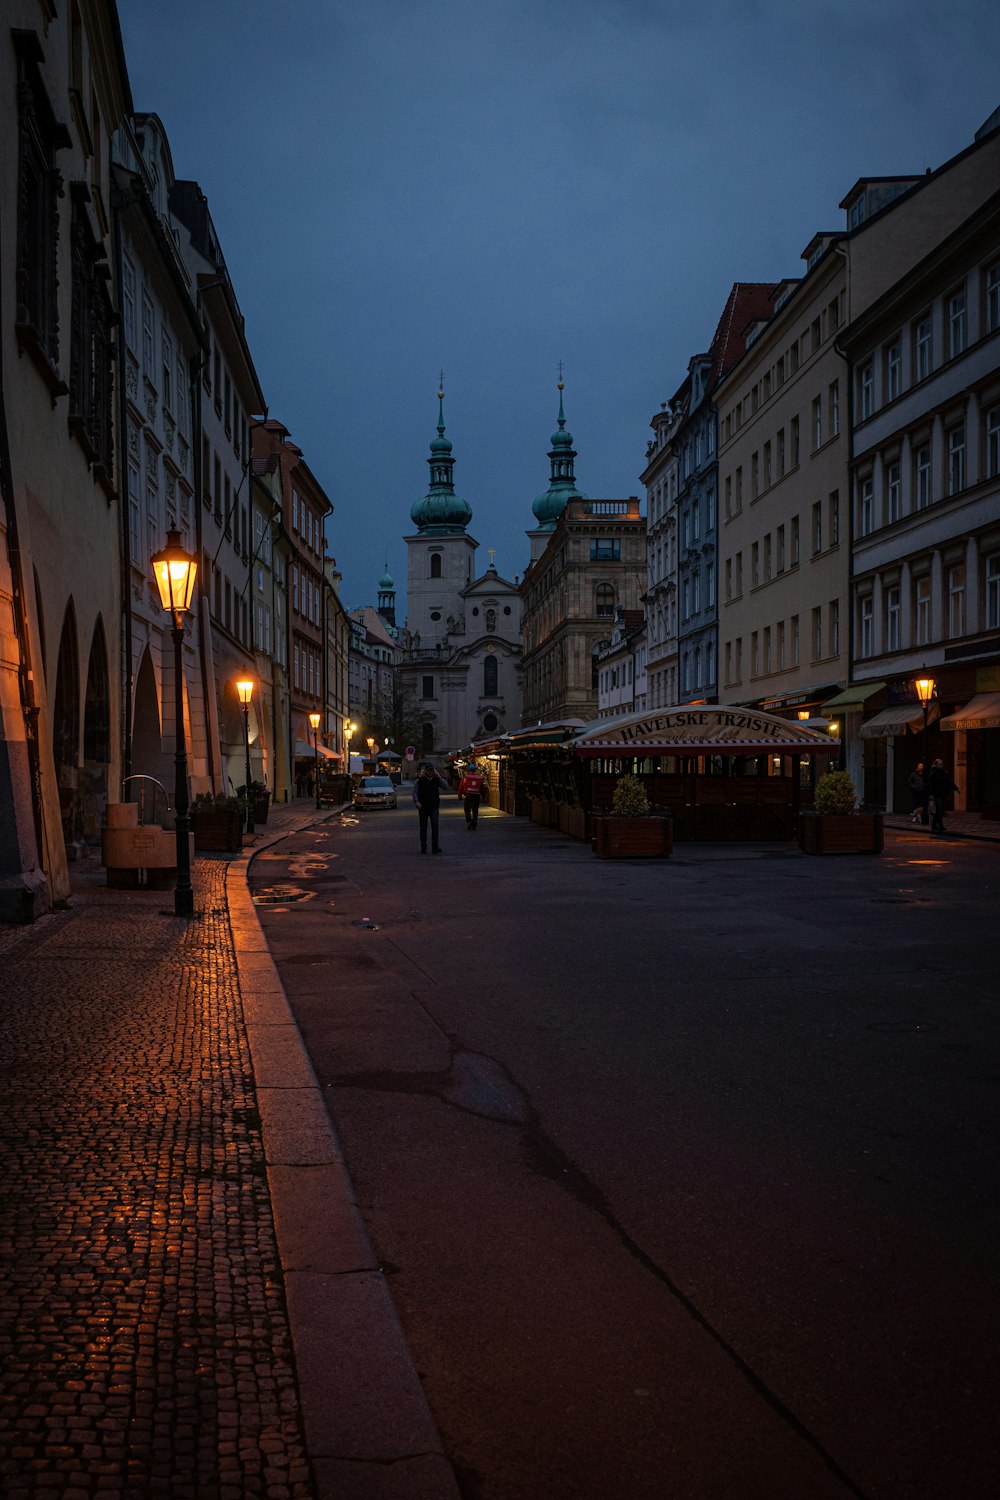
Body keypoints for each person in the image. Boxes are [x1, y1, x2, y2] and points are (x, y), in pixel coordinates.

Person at [412, 762, 448, 853]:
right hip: (423, 807)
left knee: (435, 827)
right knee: (423, 828)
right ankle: (423, 846)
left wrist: (439, 777)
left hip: (434, 807)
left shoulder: (436, 780)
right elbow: (415, 792)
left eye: (432, 770)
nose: (431, 772)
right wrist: (417, 802)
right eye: (429, 770)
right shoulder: (420, 781)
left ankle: (435, 847)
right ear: (425, 771)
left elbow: (446, 786)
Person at [927, 758, 958, 834]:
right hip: (936, 795)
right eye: (940, 764)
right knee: (939, 810)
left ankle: (934, 825)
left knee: (939, 811)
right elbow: (930, 784)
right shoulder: (933, 773)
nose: (942, 765)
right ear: (936, 765)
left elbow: (949, 782)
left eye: (942, 764)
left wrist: (956, 788)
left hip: (943, 794)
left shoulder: (944, 773)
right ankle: (940, 825)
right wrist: (931, 794)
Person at [457, 763, 486, 830]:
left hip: (468, 796)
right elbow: (482, 788)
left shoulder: (465, 777)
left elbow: (461, 787)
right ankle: (474, 822)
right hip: (476, 796)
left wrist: (459, 795)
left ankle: (469, 820)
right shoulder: (479, 778)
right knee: (475, 810)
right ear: (474, 770)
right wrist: (483, 796)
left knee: (467, 809)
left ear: (468, 770)